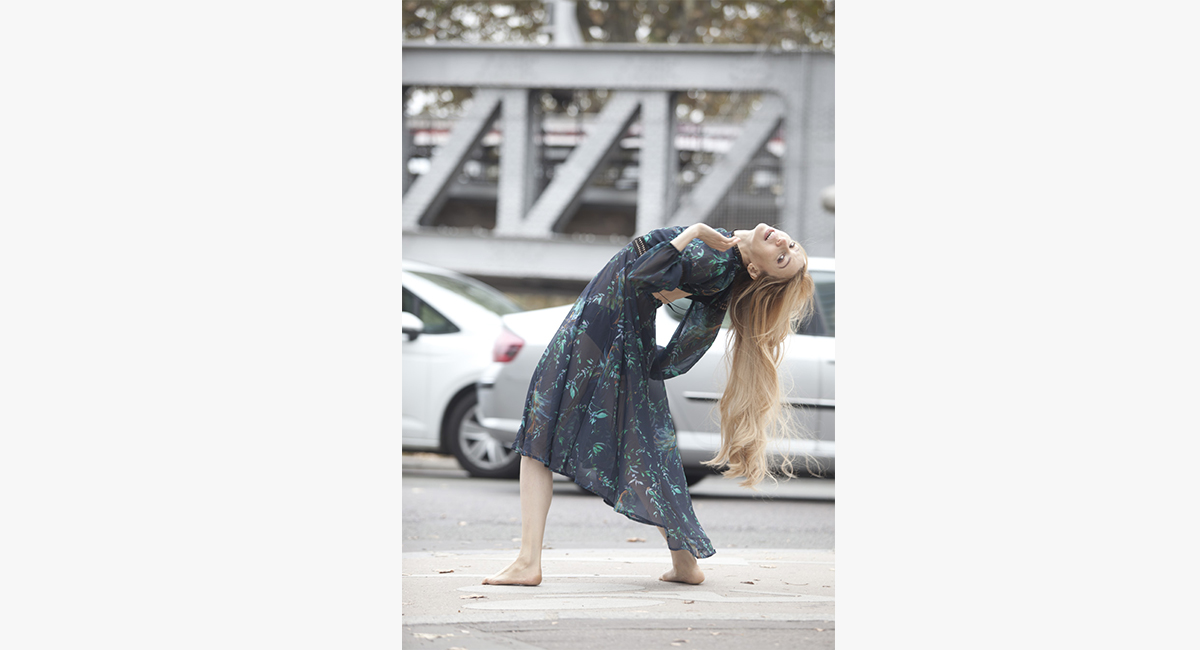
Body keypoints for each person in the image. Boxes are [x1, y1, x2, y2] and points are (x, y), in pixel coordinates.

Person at [482, 222, 816, 587]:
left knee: (539, 434)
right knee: (643, 452)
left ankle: (528, 561)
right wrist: (647, 353)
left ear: (755, 270)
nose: (783, 243)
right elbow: (677, 312)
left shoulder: (716, 257)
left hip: (601, 328)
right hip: (614, 330)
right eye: (790, 245)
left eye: (782, 258)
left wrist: (695, 231)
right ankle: (685, 563)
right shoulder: (724, 259)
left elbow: (641, 275)